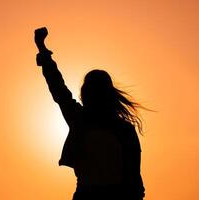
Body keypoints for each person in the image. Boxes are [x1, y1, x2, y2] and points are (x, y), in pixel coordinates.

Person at [34, 27, 145, 200]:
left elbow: (135, 178)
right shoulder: (80, 119)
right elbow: (58, 89)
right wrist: (42, 50)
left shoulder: (124, 130)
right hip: (86, 195)